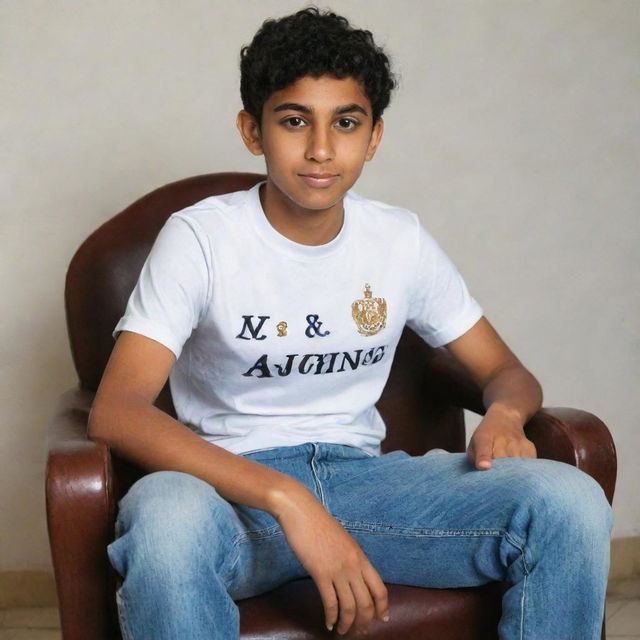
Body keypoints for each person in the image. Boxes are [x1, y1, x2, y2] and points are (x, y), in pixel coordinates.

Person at [89, 8, 612, 639]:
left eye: (345, 122)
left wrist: (502, 416)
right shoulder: (201, 237)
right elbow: (117, 411)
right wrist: (289, 500)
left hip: (368, 487)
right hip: (227, 496)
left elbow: (504, 370)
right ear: (252, 132)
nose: (319, 148)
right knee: (165, 520)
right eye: (292, 121)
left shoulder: (398, 238)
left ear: (374, 137)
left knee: (567, 502)